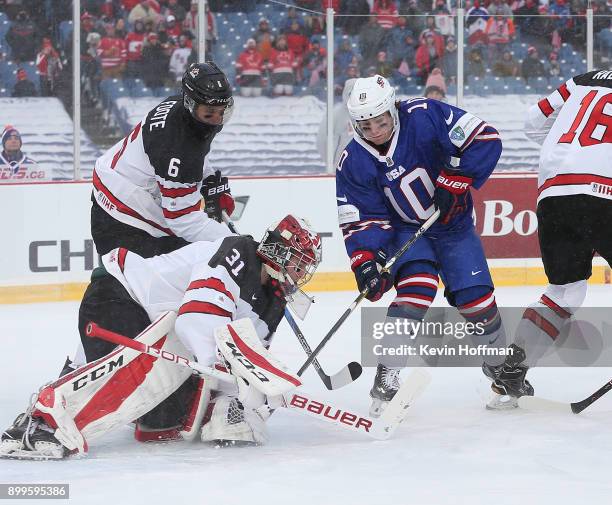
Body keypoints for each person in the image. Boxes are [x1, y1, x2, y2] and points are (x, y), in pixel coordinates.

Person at [0, 215, 322, 459]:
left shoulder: (274, 302)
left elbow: (246, 353)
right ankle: (43, 422)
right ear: (279, 252)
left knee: (164, 423)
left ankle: (77, 377)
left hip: (154, 323)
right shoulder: (240, 254)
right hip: (120, 294)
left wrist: (242, 395)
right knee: (141, 377)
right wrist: (244, 376)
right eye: (299, 264)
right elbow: (196, 319)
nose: (300, 274)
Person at [336, 75, 504, 416]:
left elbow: (485, 137)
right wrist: (366, 261)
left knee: (478, 301)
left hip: (455, 229)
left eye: (381, 121)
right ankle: (388, 371)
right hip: (407, 231)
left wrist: (457, 179)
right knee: (418, 287)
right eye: (366, 126)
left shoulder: (427, 115)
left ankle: (501, 366)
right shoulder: (352, 159)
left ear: (393, 110)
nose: (376, 131)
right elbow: (362, 217)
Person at [483, 70, 612, 408]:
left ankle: (512, 372)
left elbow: (532, 122)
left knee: (565, 290)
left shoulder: (586, 79)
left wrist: (572, 151)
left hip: (554, 190)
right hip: (604, 192)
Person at [90, 61, 236, 259]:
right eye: (209, 113)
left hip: (122, 184)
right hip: (120, 213)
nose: (217, 120)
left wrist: (208, 180)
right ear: (190, 104)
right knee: (139, 281)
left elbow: (194, 152)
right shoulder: (175, 145)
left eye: (222, 112)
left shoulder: (188, 112)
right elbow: (182, 219)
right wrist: (234, 244)